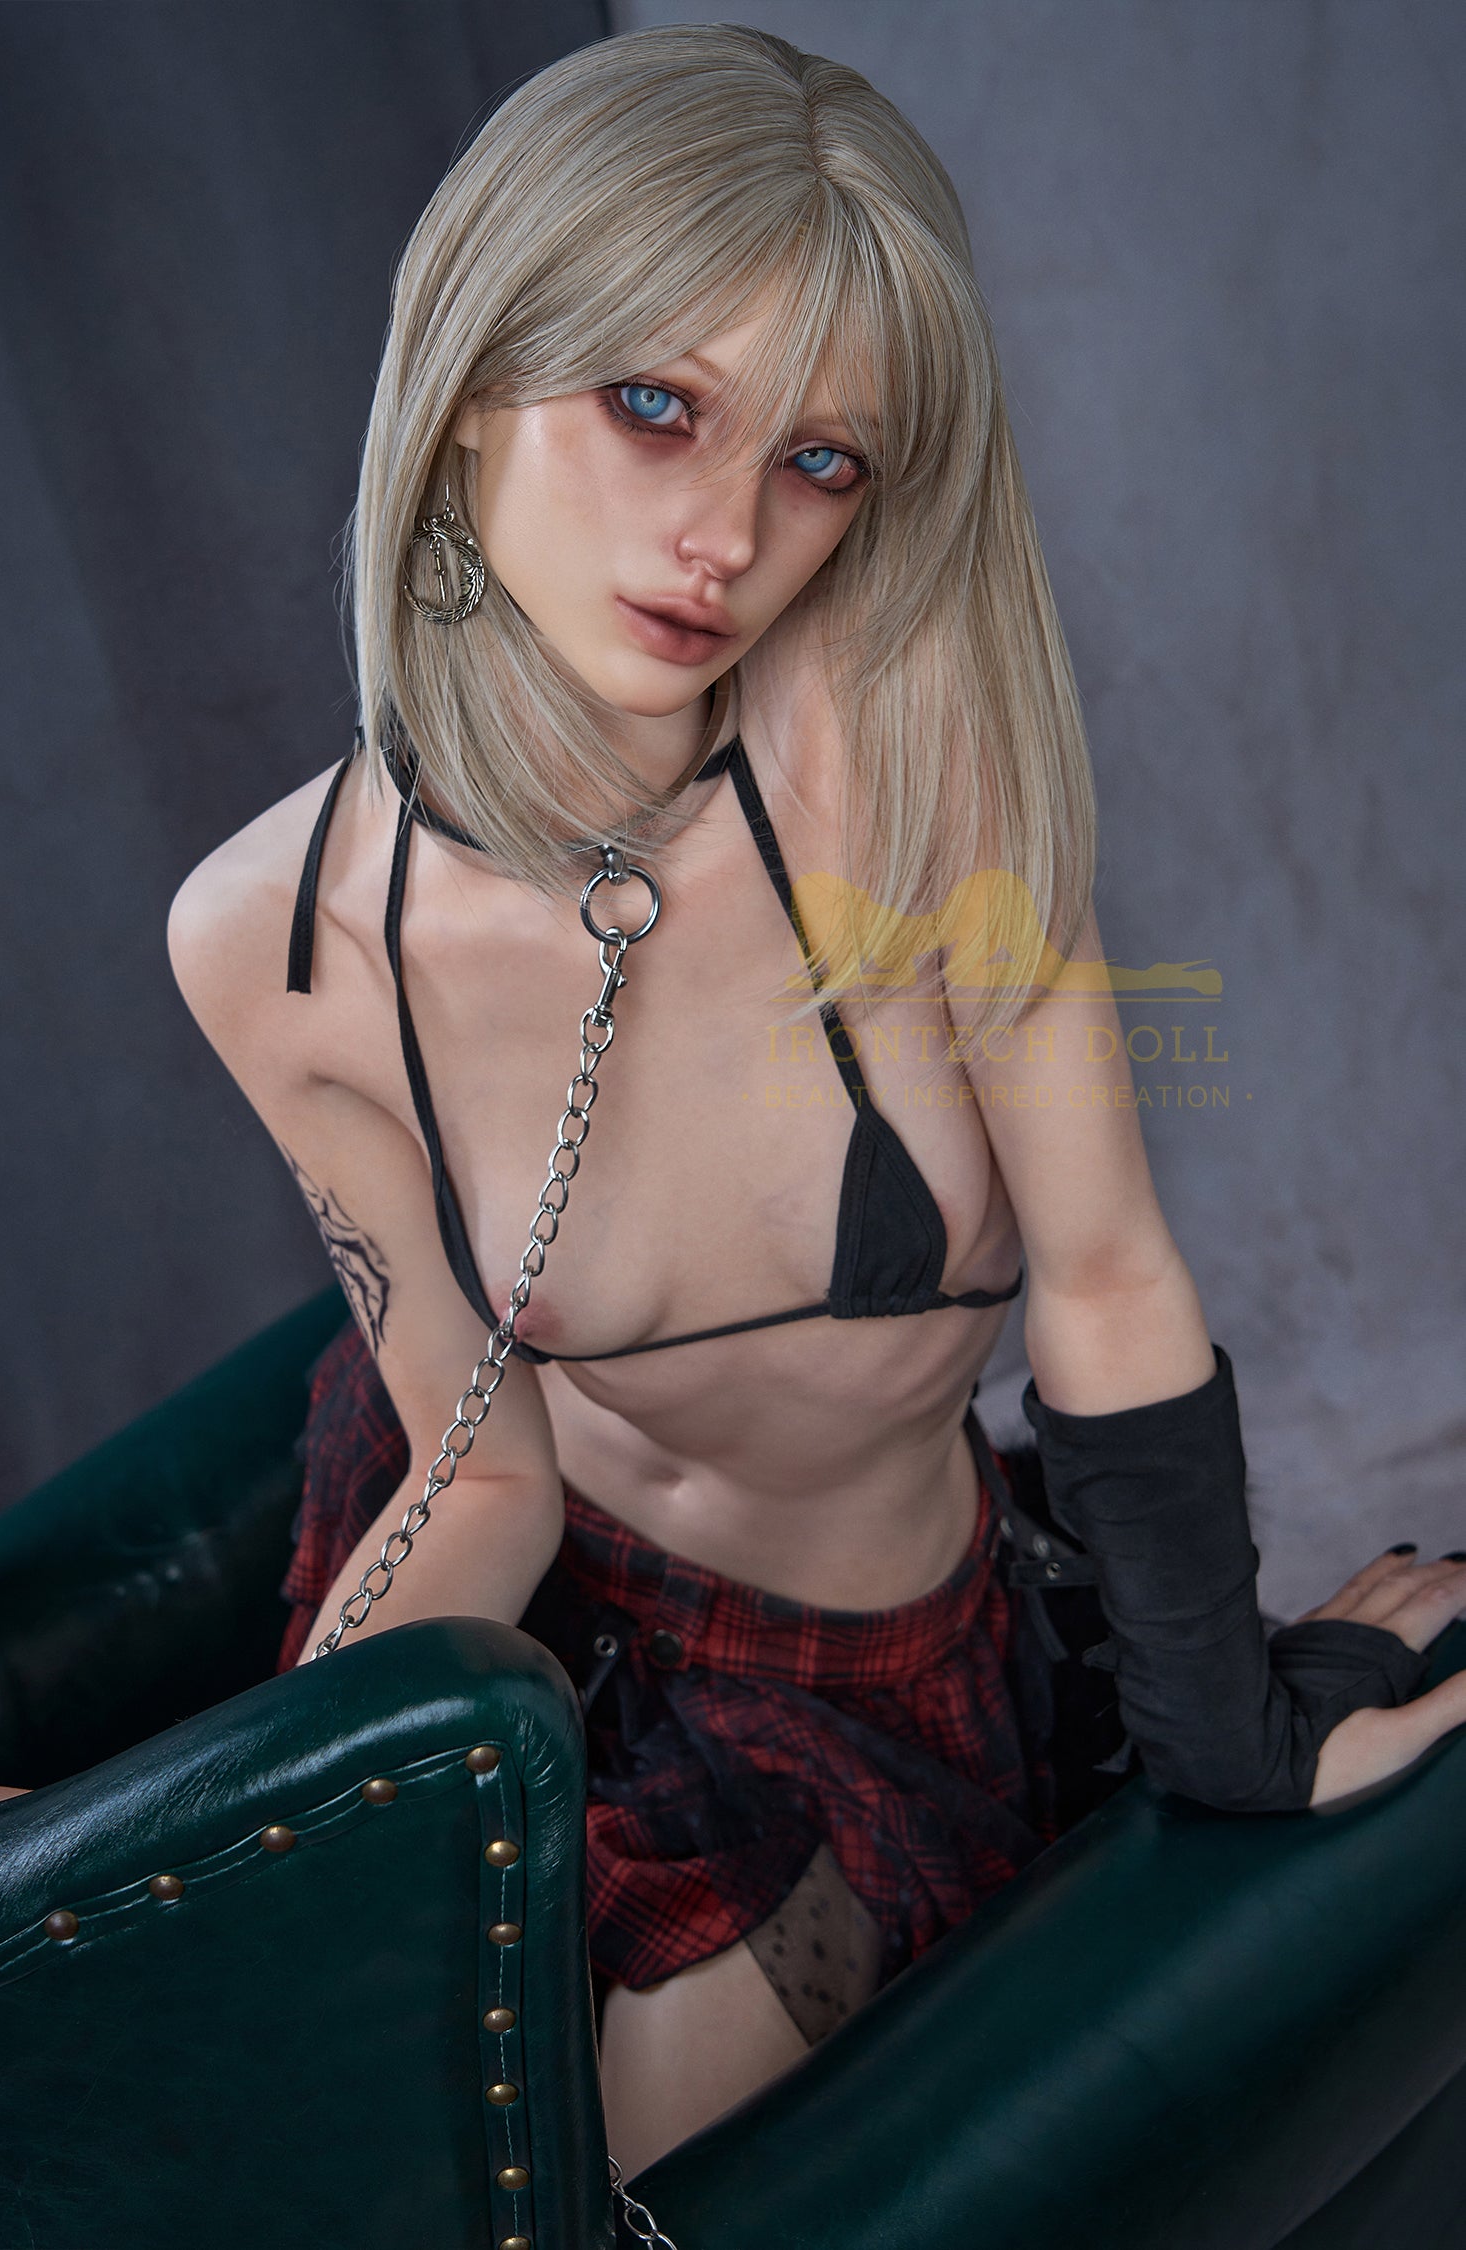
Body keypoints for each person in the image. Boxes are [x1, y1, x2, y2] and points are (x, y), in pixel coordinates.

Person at [154, 24, 1466, 2178]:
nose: (726, 538)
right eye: (657, 407)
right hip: (522, 1602)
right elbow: (481, 1468)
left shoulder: (901, 744)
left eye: (821, 461)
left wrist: (1223, 1723)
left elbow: (1108, 1271)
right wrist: (233, 1843)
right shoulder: (272, 941)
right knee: (304, 2113)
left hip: (872, 1680)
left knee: (645, 2174)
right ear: (473, 376)